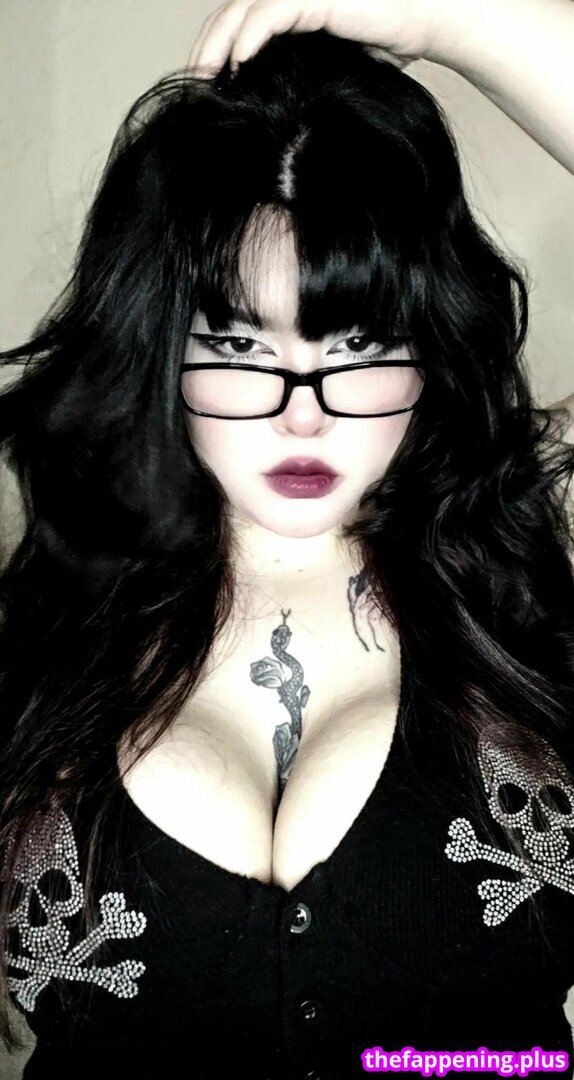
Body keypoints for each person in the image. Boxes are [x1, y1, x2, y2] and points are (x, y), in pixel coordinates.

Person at [0, 1, 573, 1077]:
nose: (301, 416)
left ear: (432, 344)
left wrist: (455, 19)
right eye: (235, 345)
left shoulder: (539, 543)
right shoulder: (48, 599)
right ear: (159, 342)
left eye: (359, 343)